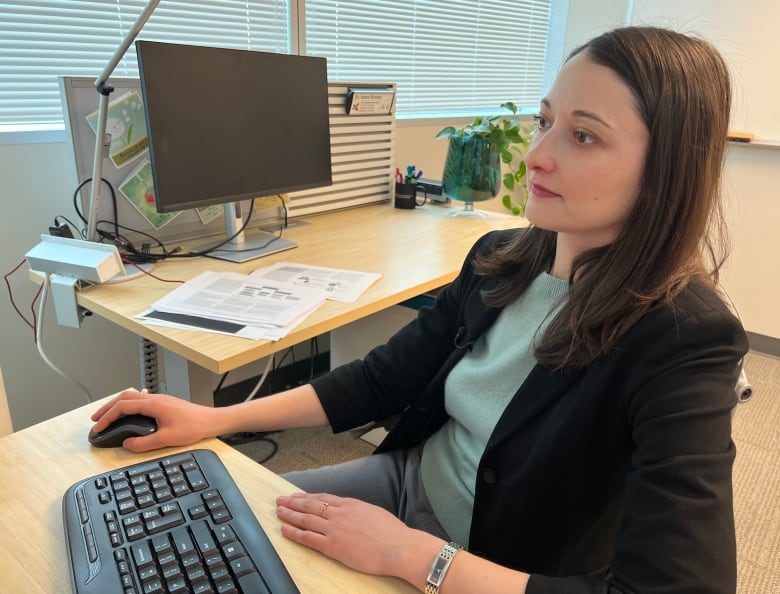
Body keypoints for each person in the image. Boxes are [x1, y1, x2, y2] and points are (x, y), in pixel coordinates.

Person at [91, 26, 748, 594]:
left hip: (495, 561)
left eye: (583, 136)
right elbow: (381, 380)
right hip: (414, 478)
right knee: (223, 535)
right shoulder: (503, 257)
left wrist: (413, 556)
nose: (539, 154)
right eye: (546, 120)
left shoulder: (686, 338)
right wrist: (214, 417)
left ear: (665, 170)